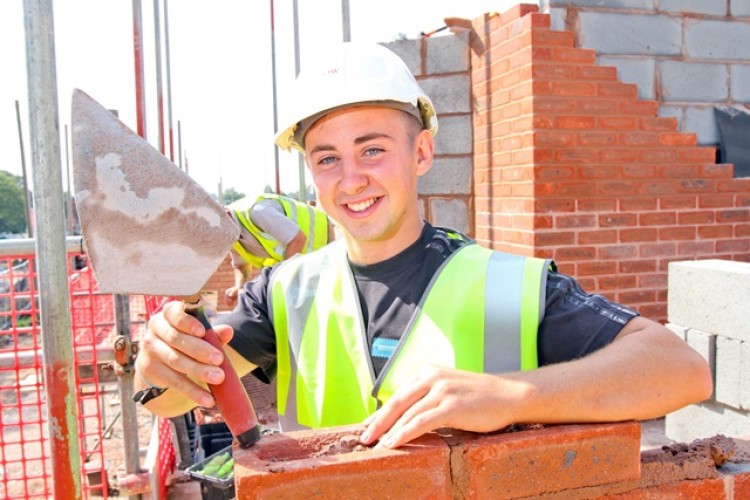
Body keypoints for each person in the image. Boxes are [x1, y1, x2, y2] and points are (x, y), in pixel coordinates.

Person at [135, 42, 712, 450]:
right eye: (327, 158)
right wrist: (156, 366)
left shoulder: (506, 285)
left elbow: (680, 370)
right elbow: (169, 399)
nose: (351, 179)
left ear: (423, 154)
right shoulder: (282, 294)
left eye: (373, 149)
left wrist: (512, 396)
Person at [222, 193, 334, 307]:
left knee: (328, 298)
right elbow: (242, 266)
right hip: (302, 260)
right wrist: (239, 288)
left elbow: (297, 239)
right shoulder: (229, 234)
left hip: (323, 237)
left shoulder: (258, 212)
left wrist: (283, 281)